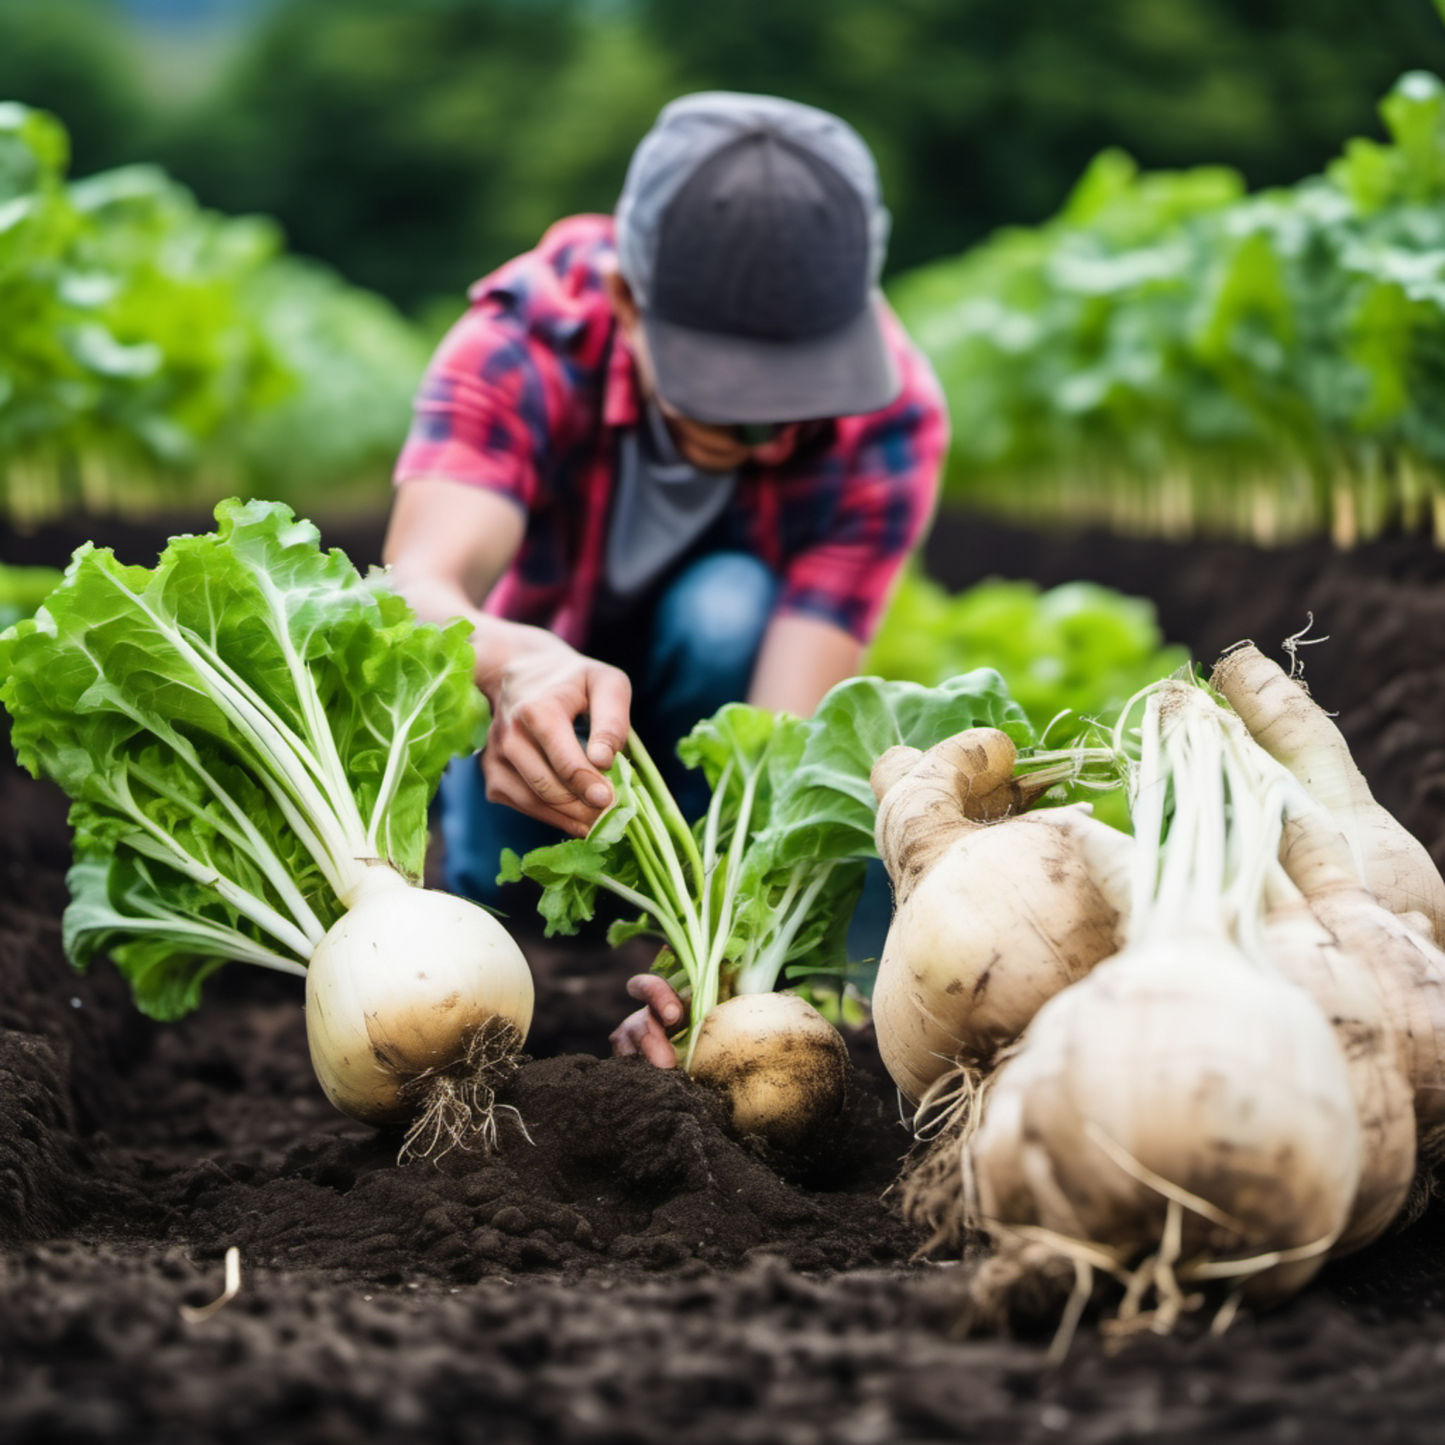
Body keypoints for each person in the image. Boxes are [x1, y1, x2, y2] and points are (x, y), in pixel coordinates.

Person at [381, 91, 948, 1067]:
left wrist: (731, 956)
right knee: (501, 901)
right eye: (729, 398)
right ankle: (511, 865)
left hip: (708, 714)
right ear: (628, 301)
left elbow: (779, 737)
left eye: (792, 399)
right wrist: (512, 662)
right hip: (530, 713)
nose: (767, 432)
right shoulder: (524, 339)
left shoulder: (887, 414)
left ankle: (671, 891)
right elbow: (413, 584)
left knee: (724, 605)